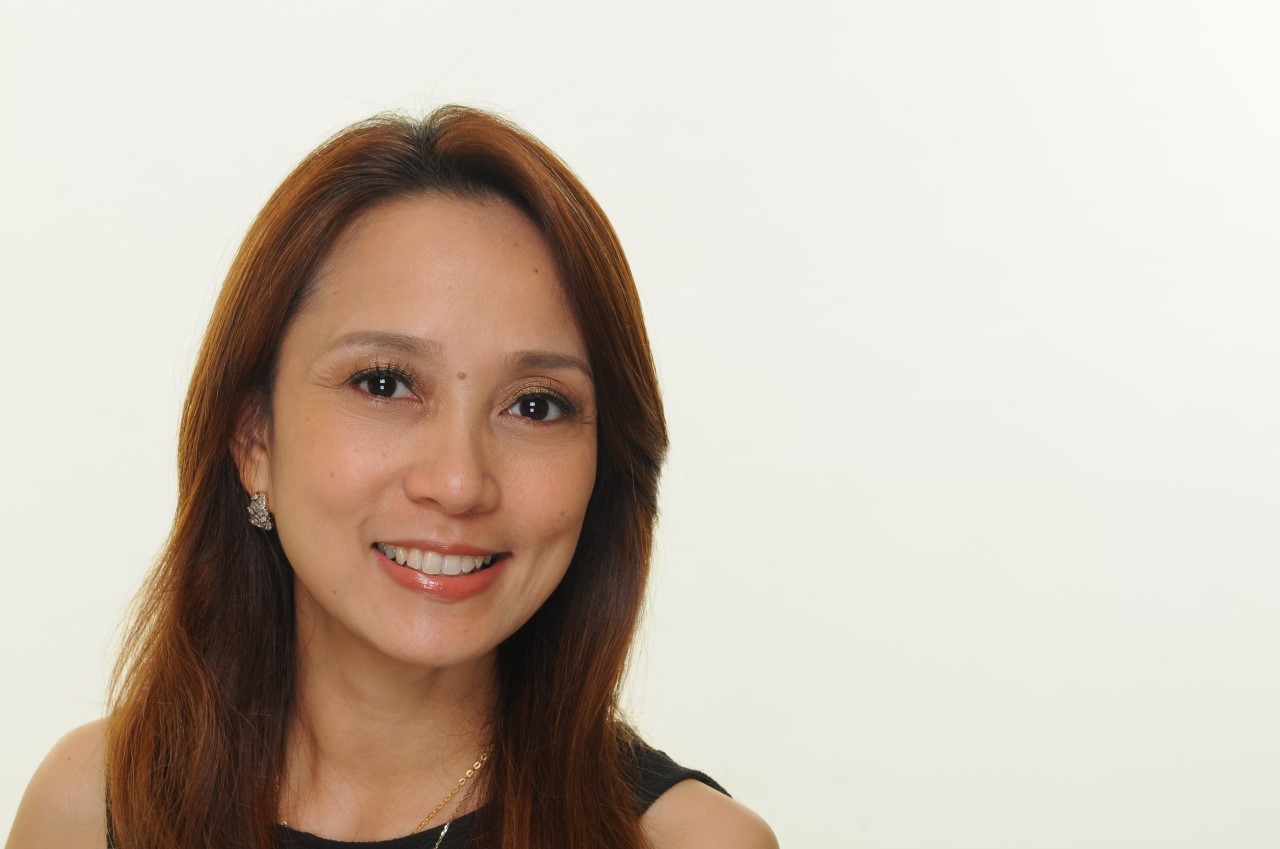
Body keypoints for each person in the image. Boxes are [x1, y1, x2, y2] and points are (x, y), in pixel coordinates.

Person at [5, 106, 775, 849]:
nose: (459, 480)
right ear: (253, 437)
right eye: (384, 383)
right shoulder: (95, 808)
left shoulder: (688, 841)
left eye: (536, 405)